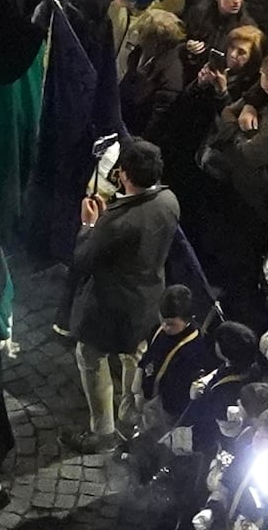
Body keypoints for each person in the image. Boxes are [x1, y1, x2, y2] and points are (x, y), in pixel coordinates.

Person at [65, 139, 183, 452]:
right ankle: (129, 417)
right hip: (148, 299)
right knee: (136, 356)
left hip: (110, 306)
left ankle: (102, 430)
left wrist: (89, 225)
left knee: (90, 357)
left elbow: (83, 260)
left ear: (123, 175)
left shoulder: (116, 222)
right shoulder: (170, 201)